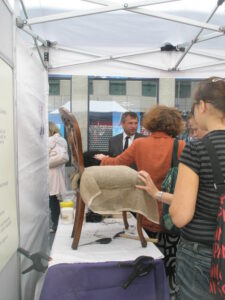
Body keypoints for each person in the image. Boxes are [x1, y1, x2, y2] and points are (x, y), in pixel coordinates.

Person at [136, 77, 225, 300]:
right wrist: (156, 193)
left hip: (203, 254)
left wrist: (170, 207)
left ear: (202, 105)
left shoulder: (197, 150)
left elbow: (181, 215)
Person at [95, 105, 185, 298]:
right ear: (175, 124)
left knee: (147, 257)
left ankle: (148, 291)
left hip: (145, 211)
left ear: (150, 122)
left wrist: (101, 159)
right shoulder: (181, 146)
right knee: (170, 259)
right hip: (171, 213)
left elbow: (116, 163)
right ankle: (169, 291)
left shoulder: (140, 144)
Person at [49, 122, 69, 233]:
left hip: (52, 174)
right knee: (57, 200)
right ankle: (59, 224)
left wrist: (44, 162)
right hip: (59, 173)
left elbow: (53, 157)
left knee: (53, 201)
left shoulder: (51, 140)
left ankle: (56, 225)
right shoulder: (62, 140)